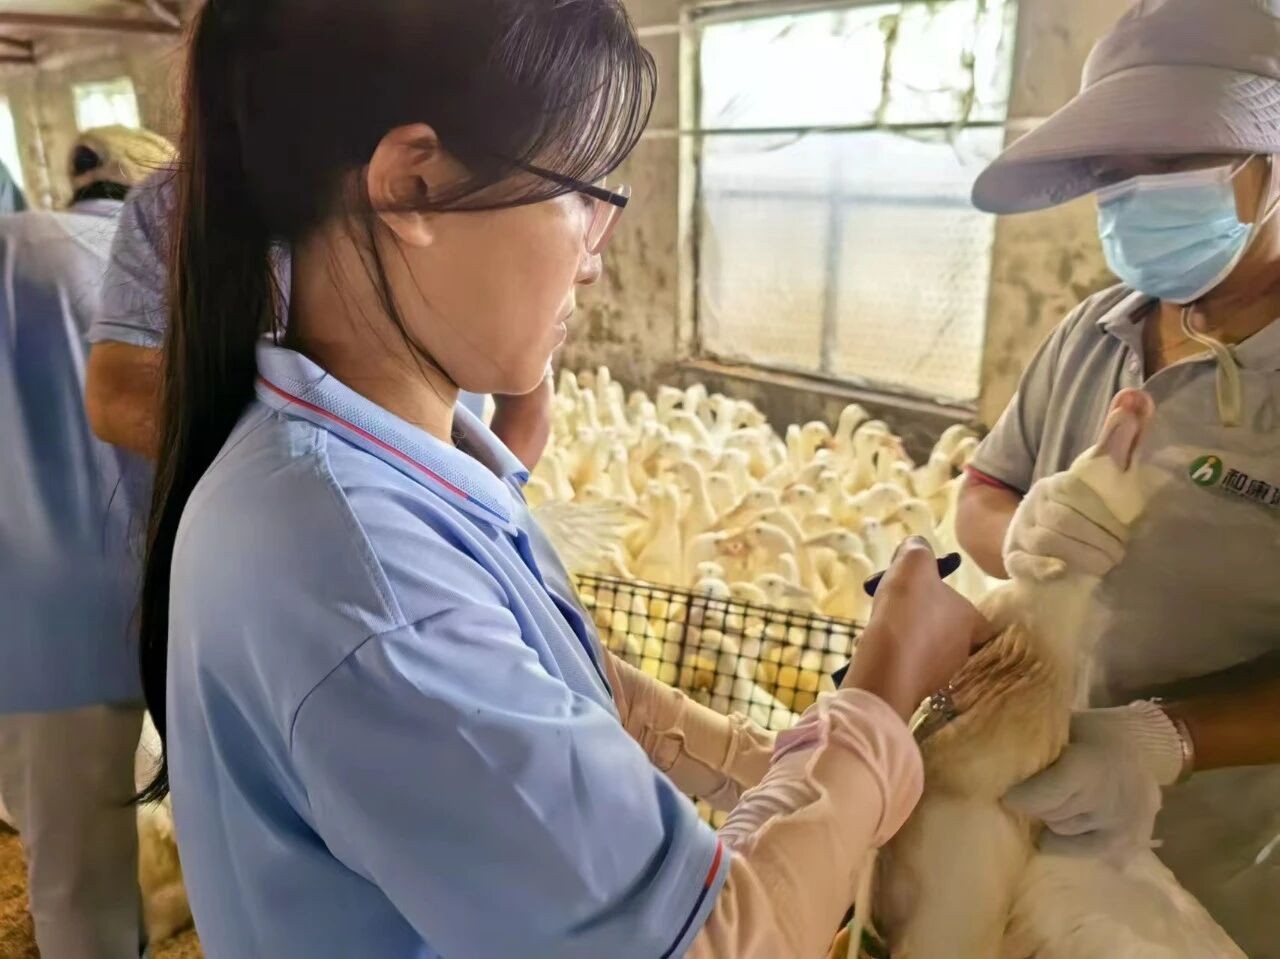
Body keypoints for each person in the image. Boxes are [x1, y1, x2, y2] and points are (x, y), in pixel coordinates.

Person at [133, 3, 1016, 957]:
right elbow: (722, 944)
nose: (597, 254)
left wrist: (771, 767)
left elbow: (552, 688)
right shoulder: (363, 577)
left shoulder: (347, 467)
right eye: (583, 192)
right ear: (415, 187)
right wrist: (882, 688)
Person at [958, 0, 1280, 953]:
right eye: (1116, 170)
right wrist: (1018, 536)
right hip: (1025, 828)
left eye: (1173, 159)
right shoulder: (1093, 328)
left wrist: (1164, 740)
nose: (1137, 194)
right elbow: (983, 491)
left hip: (1216, 880)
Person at [0, 125, 174, 959]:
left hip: (32, 622)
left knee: (68, 863)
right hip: (140, 603)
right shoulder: (162, 273)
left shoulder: (15, 247)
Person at [86, 170, 554, 478]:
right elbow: (117, 396)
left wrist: (472, 506)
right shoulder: (182, 202)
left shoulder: (461, 191)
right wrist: (315, 482)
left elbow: (528, 402)